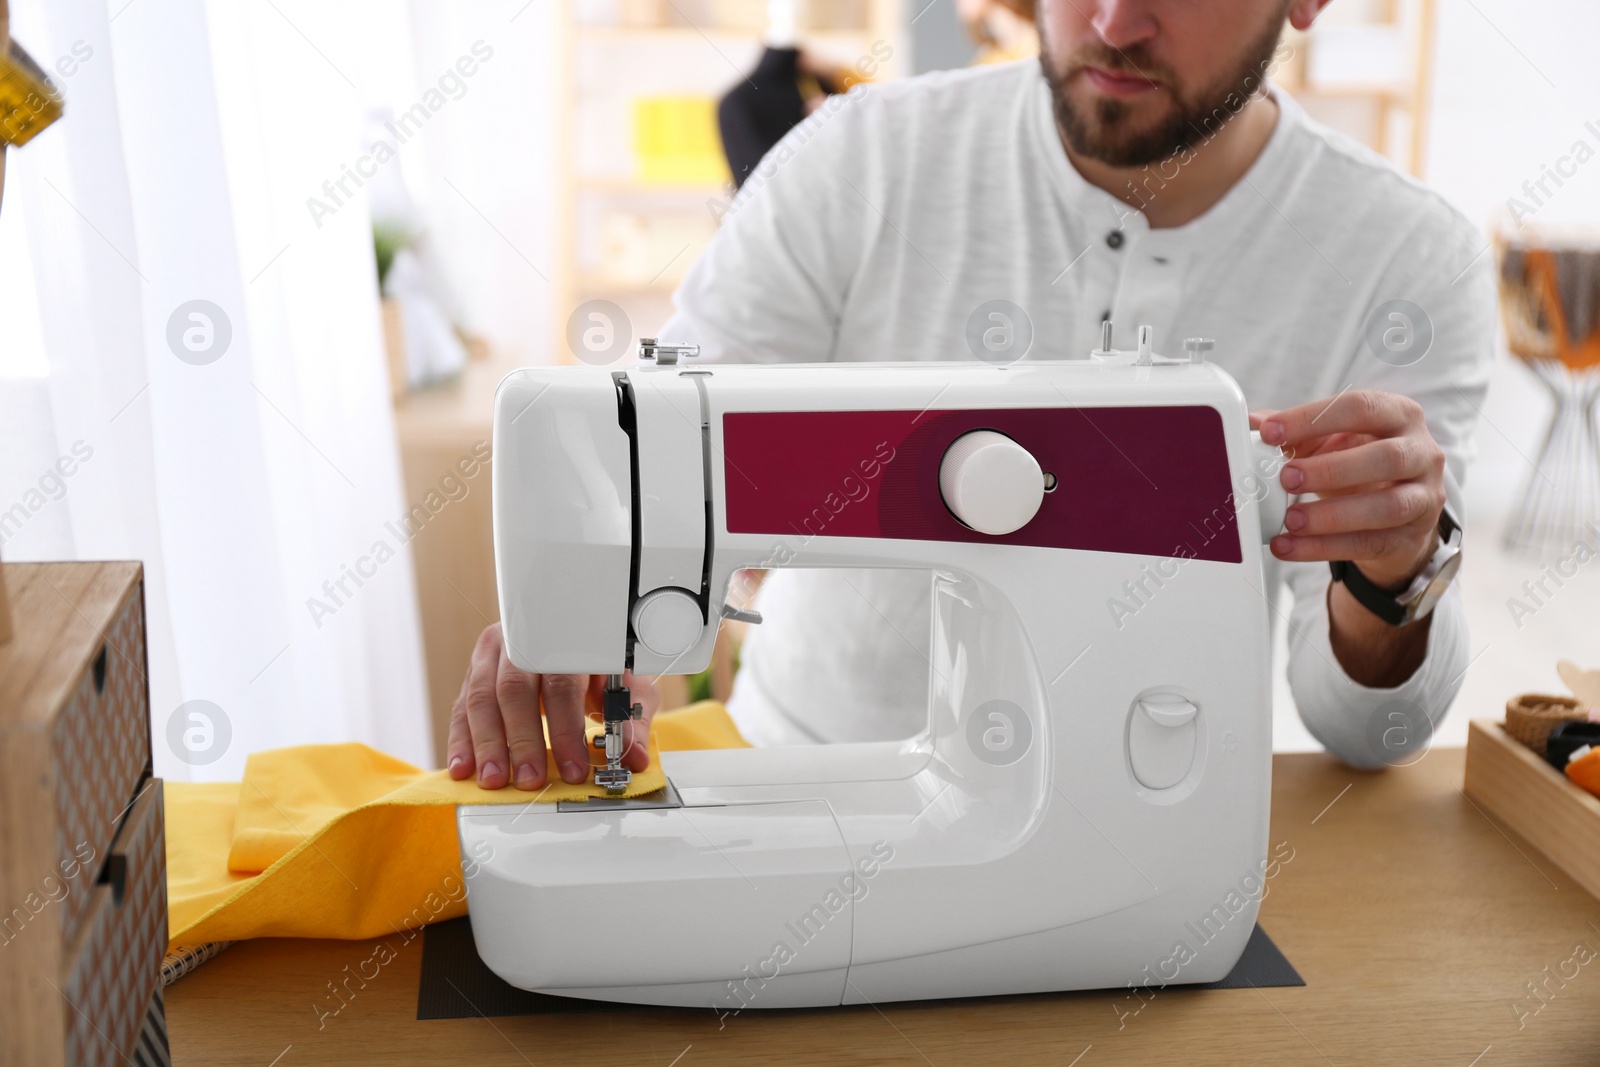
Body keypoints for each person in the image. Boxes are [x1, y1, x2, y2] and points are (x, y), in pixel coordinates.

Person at [447, 0, 1493, 790]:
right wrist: (584, 597)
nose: (1113, 22)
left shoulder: (1407, 261)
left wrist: (1391, 574)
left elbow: (1367, 732)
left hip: (1159, 816)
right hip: (802, 776)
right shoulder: (856, 161)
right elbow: (662, 455)